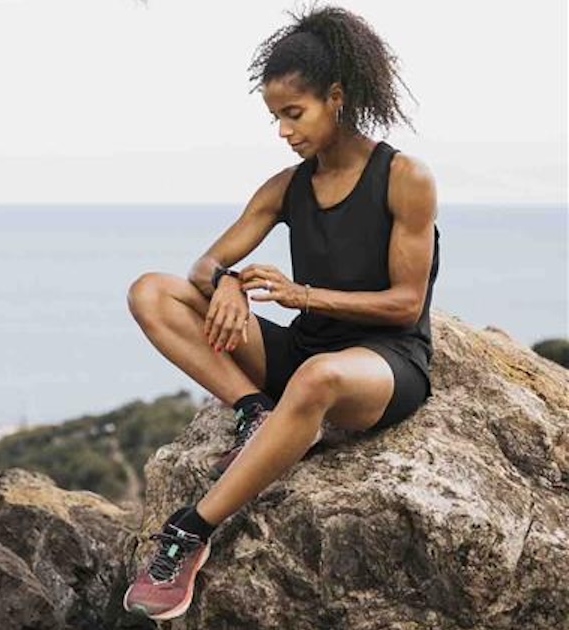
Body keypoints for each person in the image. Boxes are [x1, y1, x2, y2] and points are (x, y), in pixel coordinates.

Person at [121, 5, 440, 621]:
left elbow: (406, 301)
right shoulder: (285, 186)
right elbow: (204, 265)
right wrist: (230, 286)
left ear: (337, 98)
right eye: (275, 118)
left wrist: (304, 295)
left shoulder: (404, 178)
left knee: (318, 378)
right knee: (150, 291)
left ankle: (189, 531)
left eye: (294, 114)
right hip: (302, 351)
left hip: (384, 362)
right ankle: (253, 411)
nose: (284, 131)